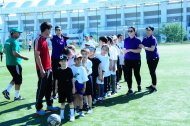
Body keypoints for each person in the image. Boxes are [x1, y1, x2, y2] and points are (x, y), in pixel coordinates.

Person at [34, 22, 58, 115]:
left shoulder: (44, 38)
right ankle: (39, 109)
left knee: (49, 88)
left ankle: (49, 105)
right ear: (46, 29)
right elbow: (37, 56)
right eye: (50, 29)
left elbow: (50, 36)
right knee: (41, 89)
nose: (50, 31)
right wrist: (42, 69)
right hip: (42, 69)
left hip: (49, 68)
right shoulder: (38, 40)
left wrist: (49, 68)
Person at [2, 28, 29, 101]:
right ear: (13, 33)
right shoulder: (14, 42)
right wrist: (23, 57)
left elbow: (4, 51)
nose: (19, 34)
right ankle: (16, 97)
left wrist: (9, 56)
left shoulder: (7, 41)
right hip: (15, 64)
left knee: (15, 78)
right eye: (18, 33)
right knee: (18, 80)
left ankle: (7, 90)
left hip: (8, 63)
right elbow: (15, 53)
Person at [50, 26, 68, 99]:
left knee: (63, 76)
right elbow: (49, 36)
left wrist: (66, 49)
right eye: (56, 30)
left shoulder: (64, 39)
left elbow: (66, 48)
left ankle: (61, 92)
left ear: (61, 31)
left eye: (59, 30)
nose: (58, 31)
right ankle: (54, 93)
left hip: (62, 60)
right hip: (55, 59)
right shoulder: (53, 37)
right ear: (55, 31)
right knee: (55, 77)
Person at [124, 27, 142, 95]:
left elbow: (139, 50)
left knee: (136, 74)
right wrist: (123, 59)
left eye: (131, 31)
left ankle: (139, 85)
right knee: (128, 75)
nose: (129, 32)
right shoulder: (126, 40)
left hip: (136, 60)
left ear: (134, 32)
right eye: (128, 31)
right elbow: (125, 50)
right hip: (127, 60)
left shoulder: (138, 40)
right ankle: (130, 89)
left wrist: (130, 50)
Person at [141, 26, 159, 93]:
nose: (147, 31)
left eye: (149, 30)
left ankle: (154, 87)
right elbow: (140, 44)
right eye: (147, 30)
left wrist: (144, 47)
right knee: (151, 72)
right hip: (148, 58)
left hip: (154, 58)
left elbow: (152, 49)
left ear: (152, 31)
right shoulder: (145, 38)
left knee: (152, 72)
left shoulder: (153, 39)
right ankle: (152, 85)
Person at [57, 54, 75, 121]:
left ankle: (72, 115)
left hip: (69, 89)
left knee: (70, 102)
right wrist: (55, 89)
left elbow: (72, 79)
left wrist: (73, 88)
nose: (63, 62)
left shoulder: (69, 70)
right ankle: (61, 115)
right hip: (61, 89)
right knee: (62, 102)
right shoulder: (58, 70)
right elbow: (56, 80)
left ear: (67, 61)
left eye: (64, 61)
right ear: (59, 62)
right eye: (61, 61)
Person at [81, 48, 93, 114]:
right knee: (84, 93)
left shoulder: (89, 62)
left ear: (88, 54)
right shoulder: (80, 61)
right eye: (83, 54)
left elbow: (87, 71)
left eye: (85, 54)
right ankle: (86, 105)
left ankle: (90, 107)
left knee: (89, 94)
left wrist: (84, 65)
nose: (84, 55)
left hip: (88, 78)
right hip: (82, 79)